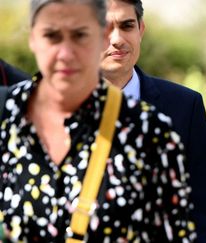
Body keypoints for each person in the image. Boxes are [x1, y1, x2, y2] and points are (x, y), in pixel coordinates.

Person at [0, 0, 195, 242]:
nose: (65, 52)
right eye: (51, 35)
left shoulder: (149, 129)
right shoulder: (7, 115)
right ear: (33, 38)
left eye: (80, 35)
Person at [99, 1, 206, 242]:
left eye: (127, 26)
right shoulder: (53, 109)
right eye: (105, 28)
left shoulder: (184, 107)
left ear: (141, 30)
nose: (116, 39)